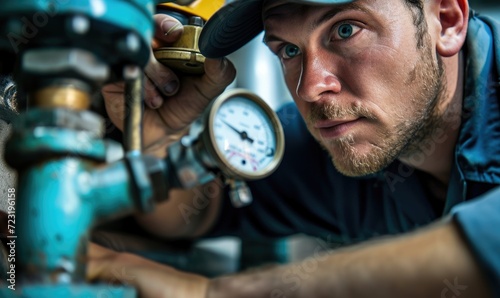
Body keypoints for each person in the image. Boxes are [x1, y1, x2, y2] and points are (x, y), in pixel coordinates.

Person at [88, 0, 500, 297]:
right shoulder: (336, 136)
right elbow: (198, 211)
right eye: (288, 49)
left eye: (345, 30)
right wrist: (163, 139)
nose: (310, 87)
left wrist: (216, 293)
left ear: (446, 20)